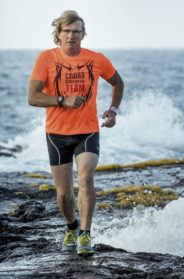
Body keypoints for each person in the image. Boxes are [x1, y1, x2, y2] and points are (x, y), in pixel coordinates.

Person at [28, 10, 124, 255]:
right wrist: (63, 100)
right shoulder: (45, 59)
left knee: (86, 178)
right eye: (67, 31)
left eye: (76, 32)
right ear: (58, 34)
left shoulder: (97, 59)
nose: (71, 36)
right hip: (56, 133)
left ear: (83, 35)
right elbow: (33, 97)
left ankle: (85, 235)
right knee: (63, 194)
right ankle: (71, 226)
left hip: (87, 131)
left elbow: (117, 82)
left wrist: (112, 110)